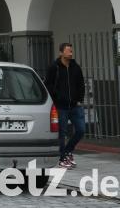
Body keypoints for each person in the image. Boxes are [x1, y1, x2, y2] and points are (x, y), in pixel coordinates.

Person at [44, 42, 85, 170]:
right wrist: (55, 100)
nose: (71, 53)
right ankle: (62, 158)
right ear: (61, 53)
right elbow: (48, 85)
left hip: (74, 105)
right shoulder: (54, 67)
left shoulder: (75, 67)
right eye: (68, 51)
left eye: (71, 51)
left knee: (80, 130)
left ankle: (67, 151)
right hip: (60, 106)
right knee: (62, 133)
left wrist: (80, 99)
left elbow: (81, 84)